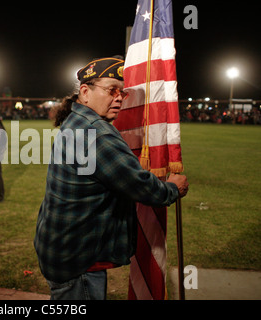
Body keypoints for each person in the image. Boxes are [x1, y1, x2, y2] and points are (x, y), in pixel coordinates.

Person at [34, 56, 189, 300]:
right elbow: (142, 188)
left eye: (122, 93)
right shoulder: (97, 133)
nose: (118, 97)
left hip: (61, 246)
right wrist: (171, 188)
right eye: (111, 90)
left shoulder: (77, 120)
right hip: (78, 259)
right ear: (85, 92)